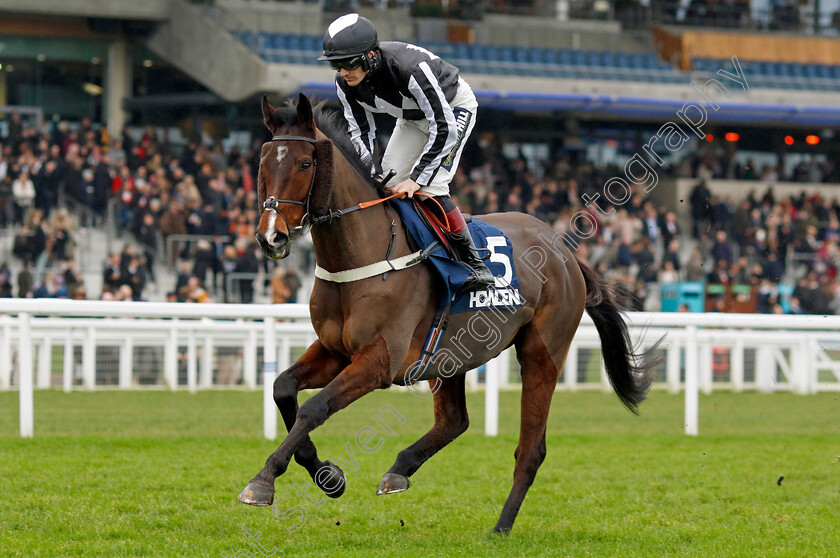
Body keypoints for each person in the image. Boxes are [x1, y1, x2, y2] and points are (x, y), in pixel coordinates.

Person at [318, 13, 494, 291]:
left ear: (371, 56)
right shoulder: (345, 85)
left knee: (430, 187)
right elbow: (361, 133)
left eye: (349, 63)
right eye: (336, 64)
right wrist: (372, 174)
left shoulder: (409, 68)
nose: (343, 71)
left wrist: (417, 179)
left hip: (452, 110)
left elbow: (444, 126)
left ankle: (474, 263)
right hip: (413, 118)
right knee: (386, 185)